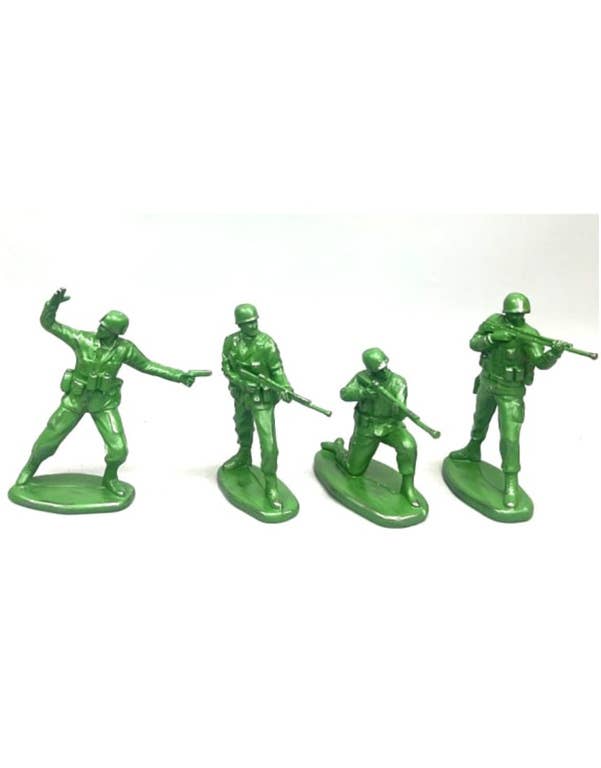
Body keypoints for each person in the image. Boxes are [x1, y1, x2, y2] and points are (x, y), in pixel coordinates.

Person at [16, 288, 199, 496]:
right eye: (100, 324)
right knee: (48, 440)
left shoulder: (124, 349)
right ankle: (29, 468)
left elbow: (148, 366)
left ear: (116, 332)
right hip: (75, 400)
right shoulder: (82, 339)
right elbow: (49, 324)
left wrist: (179, 375)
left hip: (103, 403)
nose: (99, 328)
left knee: (118, 449)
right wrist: (52, 306)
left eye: (105, 327)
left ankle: (110, 478)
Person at [449, 292, 568, 507]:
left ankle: (511, 480)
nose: (516, 317)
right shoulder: (494, 322)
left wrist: (555, 353)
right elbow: (474, 343)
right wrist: (492, 338)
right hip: (487, 381)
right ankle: (472, 449)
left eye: (520, 314)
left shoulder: (529, 335)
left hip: (510, 391)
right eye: (513, 314)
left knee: (510, 437)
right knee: (479, 420)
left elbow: (541, 363)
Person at [322, 347, 420, 507]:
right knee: (353, 470)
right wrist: (364, 393)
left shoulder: (398, 382)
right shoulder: (362, 378)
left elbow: (400, 412)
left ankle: (407, 487)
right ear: (370, 369)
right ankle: (338, 447)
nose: (384, 371)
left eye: (385, 366)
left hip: (391, 426)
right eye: (379, 369)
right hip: (367, 427)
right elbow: (344, 394)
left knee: (408, 446)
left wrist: (399, 410)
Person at [221, 303, 292, 510]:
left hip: (263, 399)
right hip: (242, 395)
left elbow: (277, 370)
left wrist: (285, 387)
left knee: (269, 444)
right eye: (247, 323)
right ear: (239, 325)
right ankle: (243, 454)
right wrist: (241, 382)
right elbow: (226, 367)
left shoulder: (266, 343)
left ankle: (270, 482)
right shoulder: (231, 342)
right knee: (242, 427)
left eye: (254, 321)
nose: (252, 326)